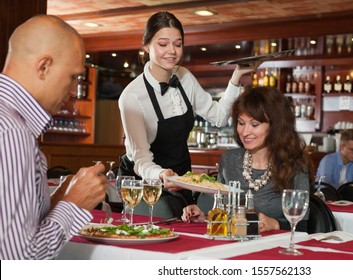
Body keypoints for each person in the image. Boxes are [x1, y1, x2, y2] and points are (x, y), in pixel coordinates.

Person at [117, 11, 258, 206]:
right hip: (145, 183)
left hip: (183, 179)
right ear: (146, 45)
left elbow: (219, 117)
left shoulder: (184, 77)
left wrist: (236, 76)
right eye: (163, 44)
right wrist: (161, 174)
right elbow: (141, 160)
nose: (172, 51)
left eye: (178, 44)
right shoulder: (131, 97)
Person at [0, 15, 107, 259]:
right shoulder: (13, 133)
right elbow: (18, 261)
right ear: (44, 66)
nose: (73, 92)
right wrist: (74, 204)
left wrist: (56, 202)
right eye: (72, 77)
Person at [181, 86, 314, 232]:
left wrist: (275, 224)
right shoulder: (229, 159)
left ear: (275, 126)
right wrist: (204, 217)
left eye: (254, 124)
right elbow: (222, 213)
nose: (245, 132)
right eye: (241, 123)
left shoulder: (295, 165)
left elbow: (303, 226)